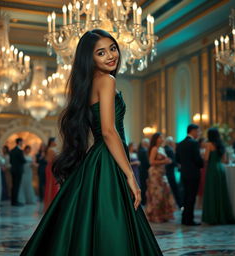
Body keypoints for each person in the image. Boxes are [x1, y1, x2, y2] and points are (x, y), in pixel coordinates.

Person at [21, 29, 162, 256]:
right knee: (113, 220)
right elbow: (108, 131)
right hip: (108, 158)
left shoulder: (89, 84)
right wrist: (130, 175)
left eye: (113, 48)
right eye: (101, 53)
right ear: (90, 58)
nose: (111, 56)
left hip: (99, 159)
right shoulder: (107, 80)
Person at [202, 128, 235, 224]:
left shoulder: (209, 144)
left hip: (212, 170)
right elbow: (224, 160)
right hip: (220, 169)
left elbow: (206, 158)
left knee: (212, 192)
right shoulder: (221, 145)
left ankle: (213, 217)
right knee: (220, 193)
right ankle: (222, 216)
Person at [176, 124, 204, 225]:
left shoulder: (180, 143)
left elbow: (177, 159)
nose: (199, 133)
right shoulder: (194, 143)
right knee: (191, 197)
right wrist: (202, 164)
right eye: (198, 131)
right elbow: (197, 159)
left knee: (186, 196)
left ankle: (184, 219)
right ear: (192, 131)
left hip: (184, 174)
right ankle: (189, 220)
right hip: (193, 174)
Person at [145, 132, 175, 223]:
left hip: (162, 173)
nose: (162, 139)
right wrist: (164, 161)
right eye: (160, 137)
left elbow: (164, 160)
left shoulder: (162, 149)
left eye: (162, 137)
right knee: (156, 194)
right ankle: (155, 216)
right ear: (156, 139)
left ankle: (163, 215)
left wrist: (167, 161)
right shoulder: (154, 148)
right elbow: (151, 162)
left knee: (164, 193)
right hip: (155, 173)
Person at [164, 136, 182, 208]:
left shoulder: (164, 149)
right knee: (174, 188)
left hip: (164, 171)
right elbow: (173, 161)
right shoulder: (170, 150)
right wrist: (178, 165)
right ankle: (180, 204)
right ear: (170, 143)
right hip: (170, 172)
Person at [43, 137, 59, 212]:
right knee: (51, 184)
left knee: (53, 184)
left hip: (52, 166)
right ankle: (50, 202)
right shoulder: (51, 149)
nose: (57, 142)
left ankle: (53, 201)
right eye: (55, 141)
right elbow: (52, 159)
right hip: (51, 167)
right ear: (52, 142)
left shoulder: (52, 149)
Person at [9, 137, 26, 206]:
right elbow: (23, 160)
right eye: (22, 142)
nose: (22, 143)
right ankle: (15, 202)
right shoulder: (20, 151)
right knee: (17, 186)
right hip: (18, 171)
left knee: (14, 186)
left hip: (13, 170)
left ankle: (13, 201)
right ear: (19, 142)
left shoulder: (12, 151)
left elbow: (10, 161)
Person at [138, 138, 150, 205]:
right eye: (148, 143)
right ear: (145, 143)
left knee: (143, 185)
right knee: (144, 186)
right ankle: (144, 201)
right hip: (144, 171)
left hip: (141, 170)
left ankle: (143, 200)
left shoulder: (140, 150)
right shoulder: (144, 151)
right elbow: (146, 162)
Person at [197, 137, 206, 208]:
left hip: (206, 169)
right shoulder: (199, 150)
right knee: (201, 185)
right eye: (203, 142)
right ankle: (199, 203)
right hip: (201, 169)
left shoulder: (206, 150)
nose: (205, 143)